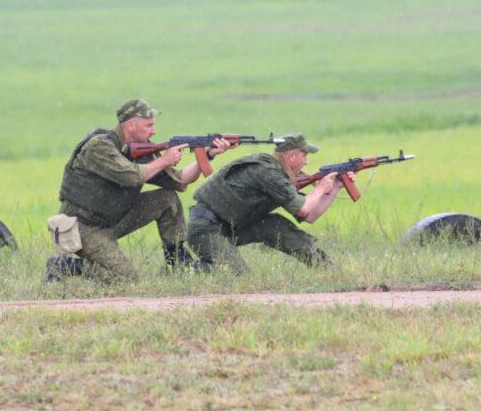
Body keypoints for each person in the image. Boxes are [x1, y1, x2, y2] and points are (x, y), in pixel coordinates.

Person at [45, 99, 232, 282]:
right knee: (126, 279)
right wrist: (165, 159)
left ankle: (179, 264)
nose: (154, 131)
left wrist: (207, 155)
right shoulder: (99, 146)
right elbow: (132, 175)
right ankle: (64, 266)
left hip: (113, 219)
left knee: (167, 199)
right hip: (83, 227)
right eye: (149, 125)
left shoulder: (141, 149)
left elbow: (180, 180)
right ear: (130, 126)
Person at [186, 133, 350, 274]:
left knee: (275, 225)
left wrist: (335, 187)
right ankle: (186, 270)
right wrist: (320, 188)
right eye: (304, 155)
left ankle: (326, 269)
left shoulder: (280, 175)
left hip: (232, 225)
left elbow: (311, 215)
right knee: (236, 276)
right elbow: (303, 209)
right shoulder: (268, 172)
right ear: (291, 156)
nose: (306, 162)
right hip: (206, 228)